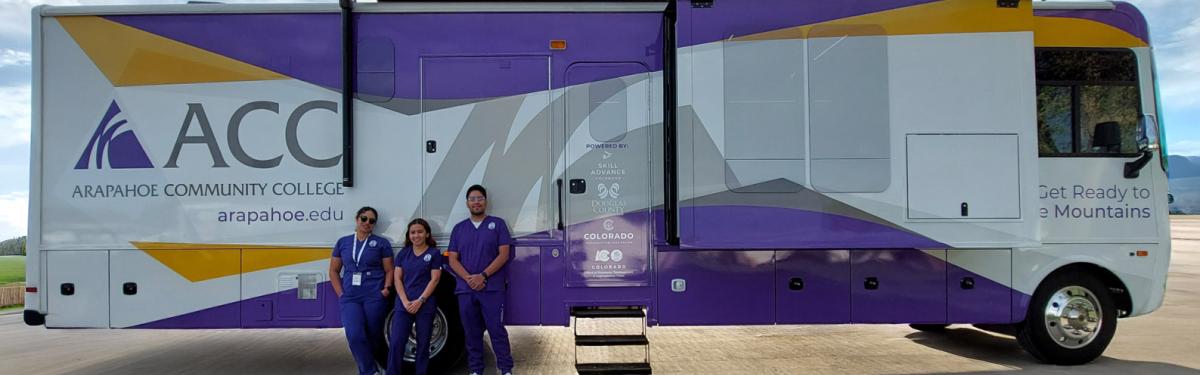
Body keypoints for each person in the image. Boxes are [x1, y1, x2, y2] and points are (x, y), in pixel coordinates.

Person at [447, 185, 514, 375]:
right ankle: (476, 369)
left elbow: (503, 255)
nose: (476, 202)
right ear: (467, 203)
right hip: (466, 289)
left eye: (480, 198)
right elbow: (452, 259)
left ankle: (506, 369)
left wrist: (482, 276)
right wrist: (469, 278)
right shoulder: (459, 228)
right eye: (472, 199)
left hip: (491, 288)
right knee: (471, 332)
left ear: (485, 201)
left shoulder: (498, 224)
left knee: (496, 330)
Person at [330, 206, 395, 375]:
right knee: (354, 334)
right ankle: (370, 371)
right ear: (357, 219)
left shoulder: (382, 243)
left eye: (371, 221)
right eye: (364, 219)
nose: (367, 223)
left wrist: (386, 289)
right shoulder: (343, 242)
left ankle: (371, 368)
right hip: (350, 297)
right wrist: (341, 294)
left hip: (374, 295)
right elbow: (333, 271)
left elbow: (389, 270)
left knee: (373, 336)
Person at [386, 218, 444, 375]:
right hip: (403, 305)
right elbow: (397, 278)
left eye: (420, 232)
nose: (416, 235)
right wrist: (405, 301)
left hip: (425, 305)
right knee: (397, 342)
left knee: (423, 343)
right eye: (413, 232)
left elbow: (435, 279)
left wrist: (420, 300)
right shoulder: (404, 253)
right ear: (408, 235)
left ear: (427, 234)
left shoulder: (434, 254)